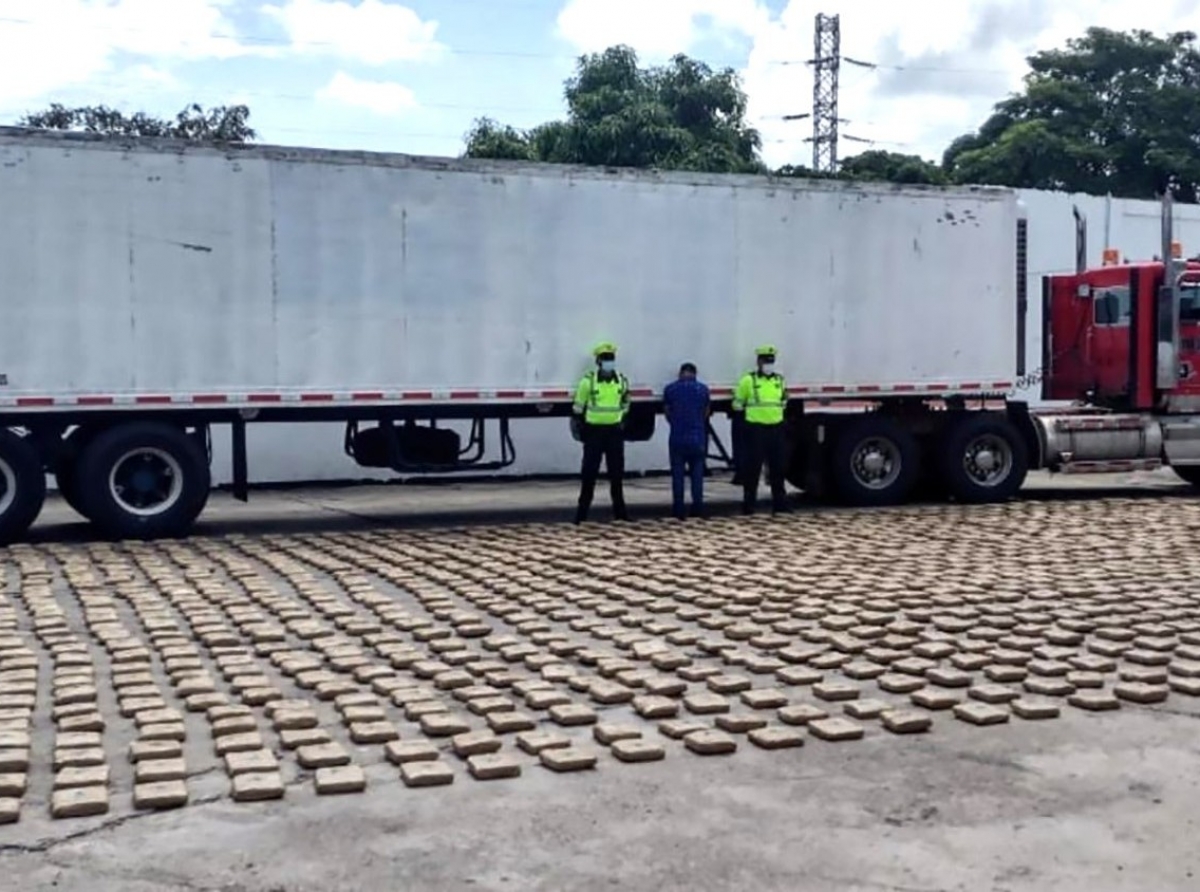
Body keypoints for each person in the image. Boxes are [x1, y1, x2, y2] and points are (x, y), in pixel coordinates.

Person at [572, 341, 631, 524]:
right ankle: (581, 515)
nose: (609, 362)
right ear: (598, 361)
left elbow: (626, 403)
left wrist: (621, 420)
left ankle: (620, 514)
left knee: (616, 474)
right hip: (594, 433)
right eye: (605, 358)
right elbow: (577, 409)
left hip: (614, 433)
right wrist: (583, 429)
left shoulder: (621, 380)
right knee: (589, 474)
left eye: (611, 358)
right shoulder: (587, 382)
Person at [732, 344, 789, 515]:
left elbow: (784, 401)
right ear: (758, 361)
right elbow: (737, 404)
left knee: (778, 469)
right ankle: (749, 505)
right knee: (752, 470)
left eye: (771, 361)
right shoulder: (748, 380)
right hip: (756, 430)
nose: (768, 364)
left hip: (776, 429)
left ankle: (780, 505)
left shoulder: (779, 380)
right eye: (765, 360)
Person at [662, 362, 710, 519]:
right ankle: (698, 508)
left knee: (678, 475)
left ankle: (678, 509)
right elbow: (706, 412)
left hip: (677, 438)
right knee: (697, 475)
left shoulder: (670, 390)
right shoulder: (703, 390)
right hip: (697, 438)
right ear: (695, 374)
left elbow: (667, 412)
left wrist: (675, 422)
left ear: (680, 373)